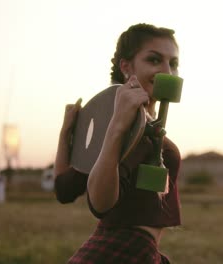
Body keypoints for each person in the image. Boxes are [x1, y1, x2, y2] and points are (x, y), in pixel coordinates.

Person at [54, 23, 182, 264]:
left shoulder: (147, 125)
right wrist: (116, 127)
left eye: (173, 63)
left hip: (132, 251)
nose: (167, 71)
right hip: (124, 252)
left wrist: (65, 134)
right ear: (126, 67)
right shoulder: (123, 128)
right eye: (154, 60)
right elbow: (99, 203)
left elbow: (64, 189)